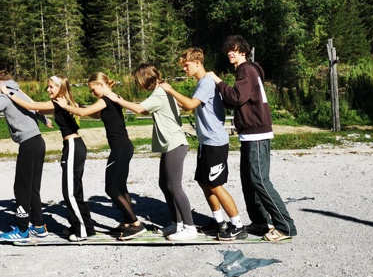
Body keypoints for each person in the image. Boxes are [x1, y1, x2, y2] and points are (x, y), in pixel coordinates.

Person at [207, 36, 297, 242]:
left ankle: (285, 226)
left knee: (259, 179)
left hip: (257, 133)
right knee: (248, 181)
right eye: (228, 50)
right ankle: (260, 222)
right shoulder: (243, 71)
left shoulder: (246, 70)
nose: (231, 53)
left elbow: (237, 97)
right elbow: (237, 100)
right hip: (249, 133)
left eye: (235, 50)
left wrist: (218, 81)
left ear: (243, 51)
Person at [159, 48, 249, 241]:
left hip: (215, 141)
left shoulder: (207, 82)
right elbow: (187, 104)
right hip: (206, 141)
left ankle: (238, 225)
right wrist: (167, 95)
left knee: (215, 185)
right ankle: (219, 222)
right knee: (204, 183)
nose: (184, 69)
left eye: (186, 65)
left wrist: (170, 90)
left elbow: (190, 105)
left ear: (197, 63)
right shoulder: (202, 82)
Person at [1, 74, 96, 242]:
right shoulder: (66, 102)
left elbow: (29, 106)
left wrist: (9, 93)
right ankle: (81, 226)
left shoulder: (58, 103)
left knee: (70, 192)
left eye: (51, 86)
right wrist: (20, 92)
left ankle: (83, 231)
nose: (48, 89)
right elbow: (36, 108)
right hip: (74, 146)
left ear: (61, 87)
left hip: (73, 145)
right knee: (73, 189)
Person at [109, 63, 197, 242]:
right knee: (164, 184)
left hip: (175, 143)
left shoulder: (160, 93)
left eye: (138, 80)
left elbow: (139, 109)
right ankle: (176, 223)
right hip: (169, 144)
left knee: (174, 186)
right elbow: (143, 108)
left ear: (144, 78)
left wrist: (117, 99)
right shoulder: (160, 92)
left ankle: (190, 227)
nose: (137, 84)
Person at [54, 72, 146, 240]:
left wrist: (65, 106)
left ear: (102, 85)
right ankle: (127, 222)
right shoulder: (112, 99)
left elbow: (83, 113)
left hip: (120, 148)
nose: (92, 93)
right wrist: (78, 106)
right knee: (120, 186)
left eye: (93, 89)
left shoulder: (106, 99)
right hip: (124, 147)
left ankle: (136, 224)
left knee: (111, 188)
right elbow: (94, 113)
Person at [0, 70, 50, 241]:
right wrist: (45, 120)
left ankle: (22, 230)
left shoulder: (4, 93)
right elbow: (33, 107)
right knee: (33, 187)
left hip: (28, 144)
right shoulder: (19, 91)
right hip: (38, 142)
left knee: (21, 188)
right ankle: (39, 226)